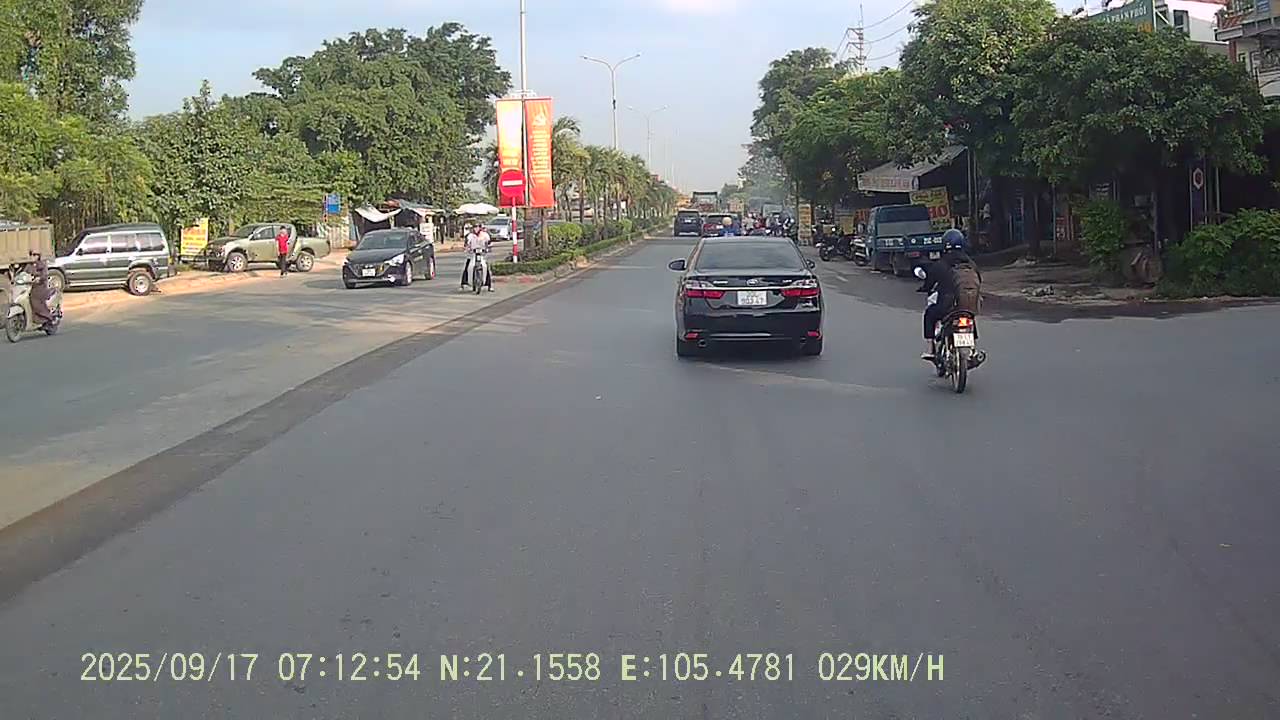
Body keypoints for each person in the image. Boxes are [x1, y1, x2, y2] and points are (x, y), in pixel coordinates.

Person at [917, 228, 982, 360]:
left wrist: (924, 288)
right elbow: (978, 280)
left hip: (947, 306)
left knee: (929, 315)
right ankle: (974, 349)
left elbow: (929, 283)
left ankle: (931, 349)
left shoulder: (941, 264)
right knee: (968, 316)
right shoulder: (971, 264)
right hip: (970, 305)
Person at [461, 223, 494, 291]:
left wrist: (488, 248)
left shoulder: (485, 235)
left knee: (485, 267)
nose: (476, 229)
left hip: (482, 254)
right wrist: (467, 248)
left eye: (477, 227)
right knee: (467, 266)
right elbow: (466, 244)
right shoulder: (470, 235)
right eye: (475, 227)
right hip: (472, 254)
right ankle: (463, 283)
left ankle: (489, 285)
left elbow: (489, 243)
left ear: (480, 228)